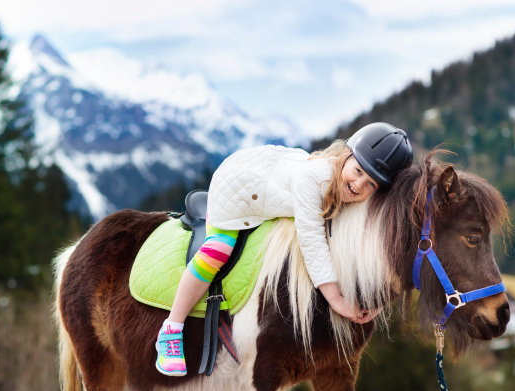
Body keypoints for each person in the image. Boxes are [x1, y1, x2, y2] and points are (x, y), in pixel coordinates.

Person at [155, 122, 413, 376]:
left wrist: (374, 298)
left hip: (274, 179)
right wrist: (334, 298)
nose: (359, 185)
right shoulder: (315, 179)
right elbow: (311, 238)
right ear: (346, 156)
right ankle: (172, 329)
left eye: (371, 184)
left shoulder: (349, 188)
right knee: (217, 251)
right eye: (358, 171)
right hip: (240, 190)